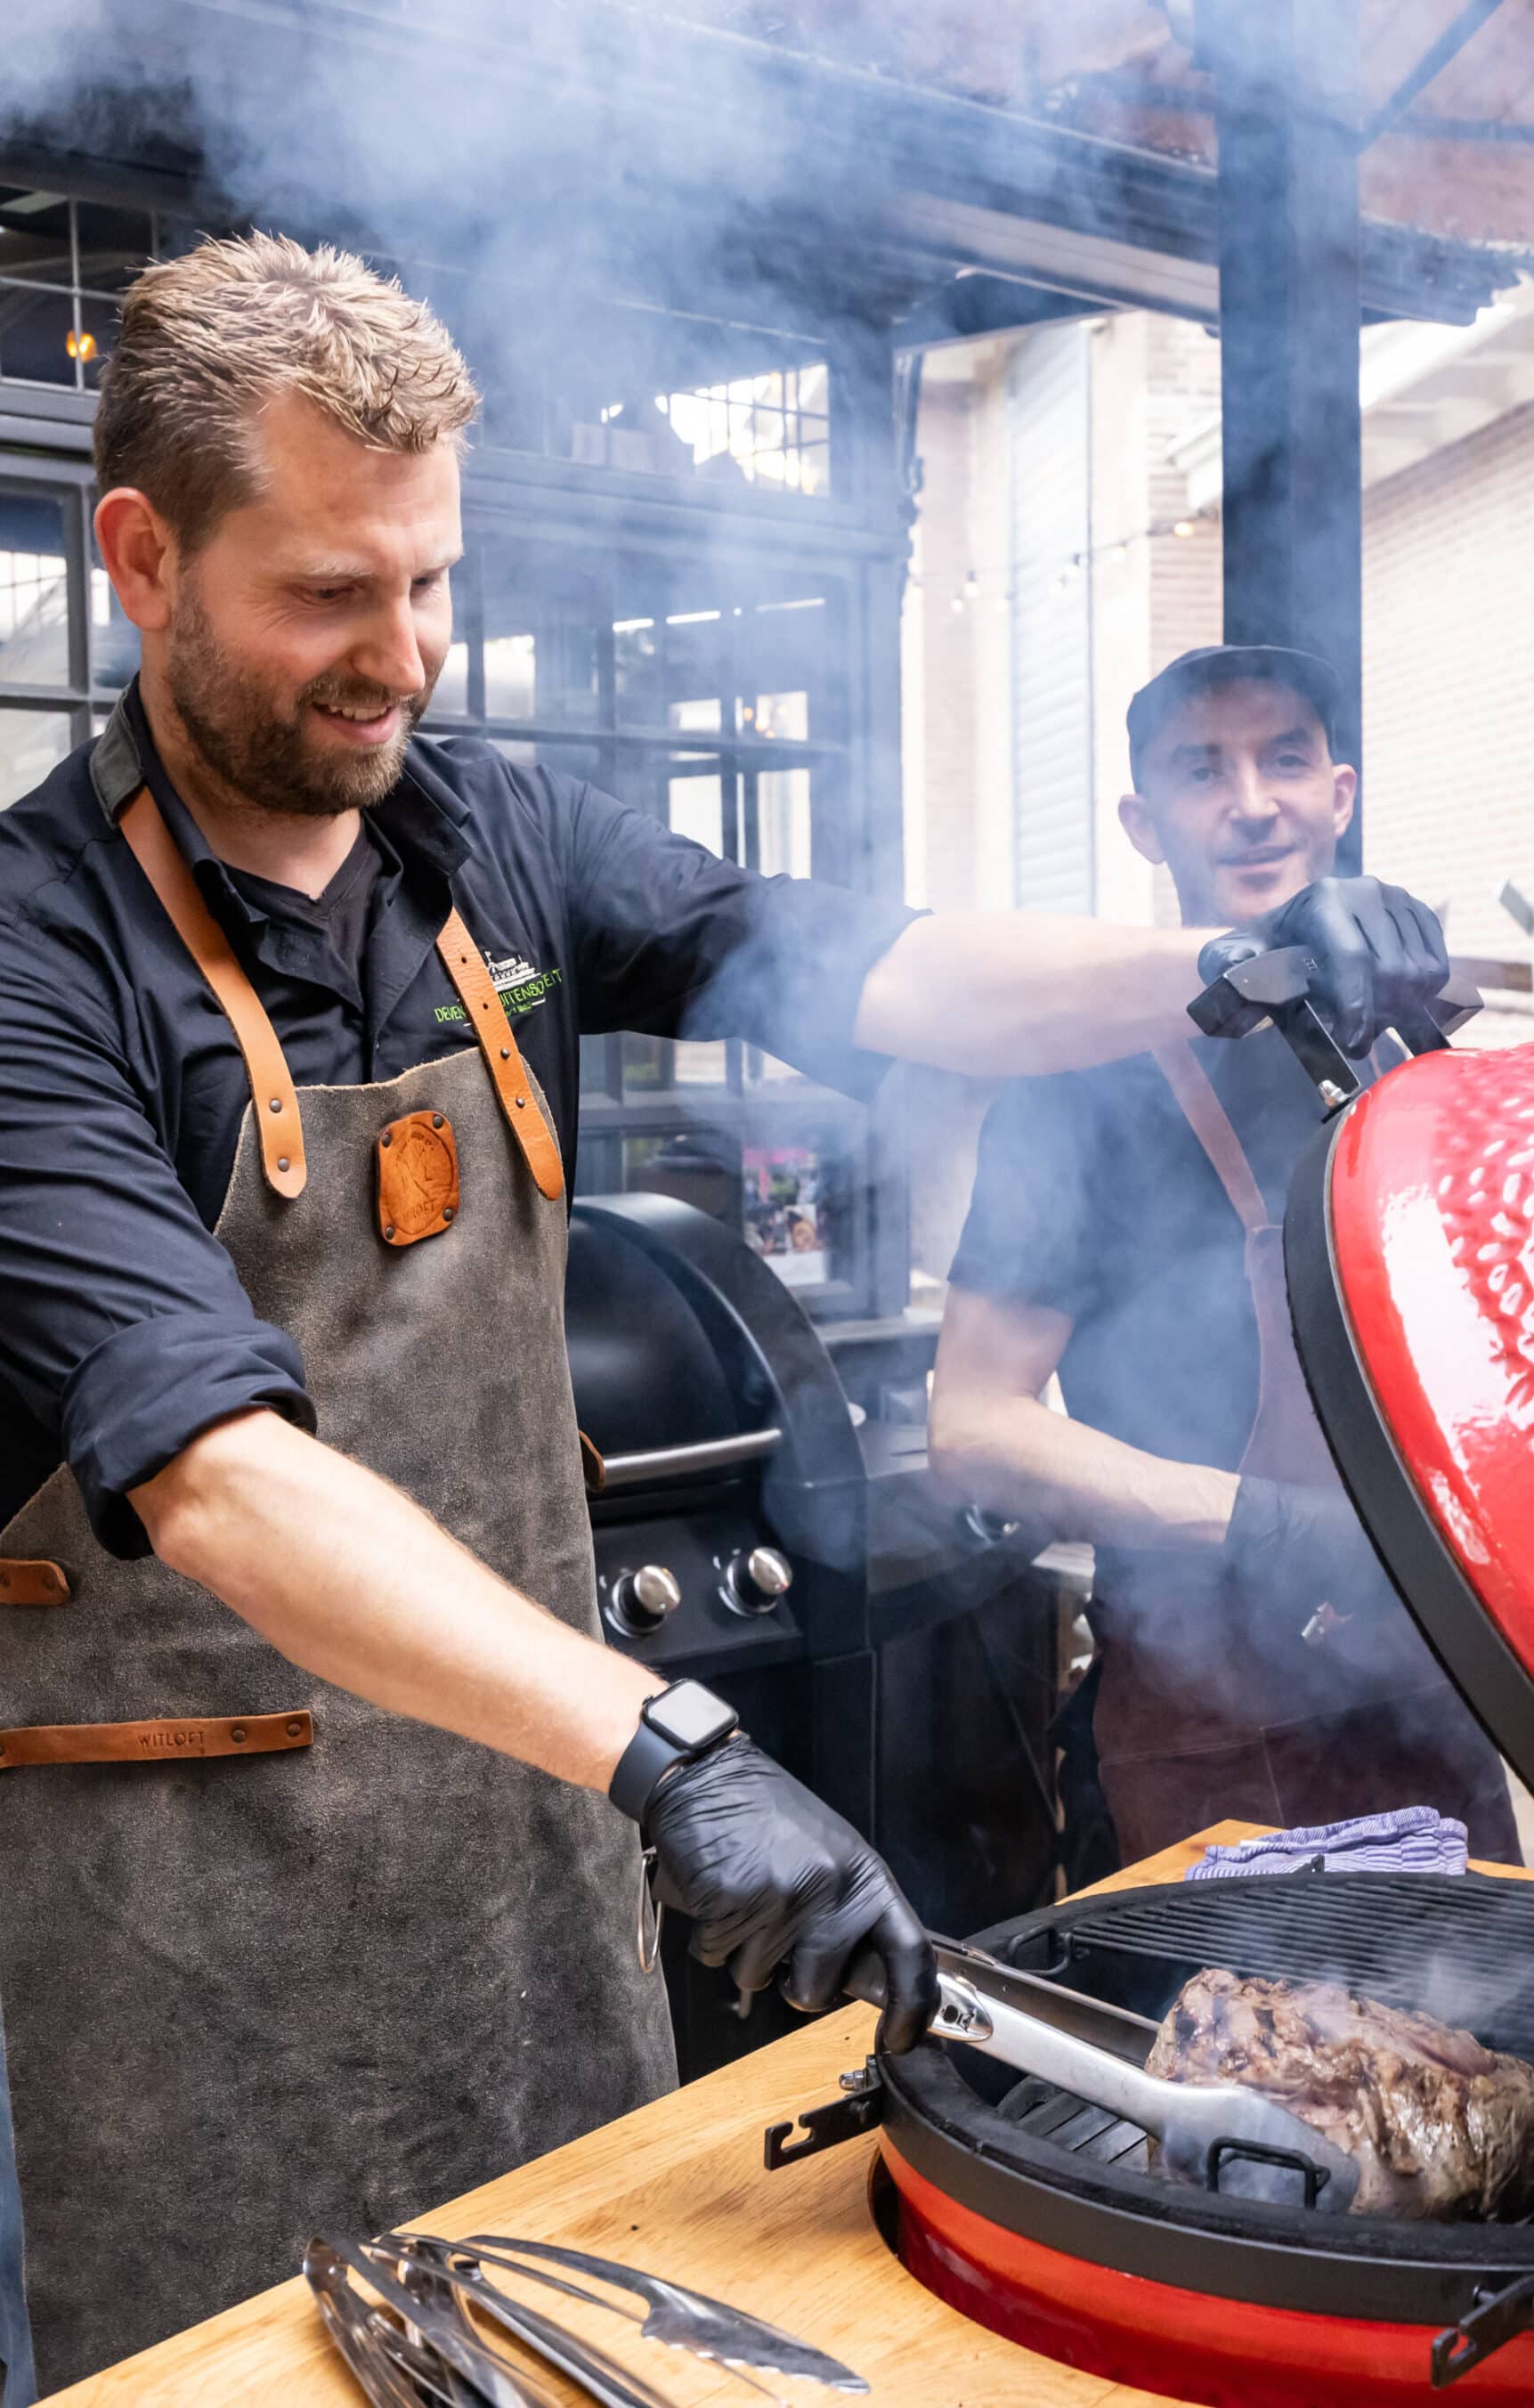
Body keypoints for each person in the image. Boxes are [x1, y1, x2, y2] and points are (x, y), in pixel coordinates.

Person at [0, 238, 1457, 2395]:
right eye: (329, 593)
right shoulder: (35, 959)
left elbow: (859, 961)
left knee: (574, 2321)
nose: (399, 657)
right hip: (189, 1910)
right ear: (141, 557)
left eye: (431, 584)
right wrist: (665, 1738)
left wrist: (1217, 967)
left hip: (523, 1844)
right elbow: (217, 1474)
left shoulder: (475, 829)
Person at [931, 645, 1521, 1880]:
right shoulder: (1082, 1083)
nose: (1253, 800)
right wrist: (1270, 1529)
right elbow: (975, 1428)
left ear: (1341, 792)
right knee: (1243, 2061)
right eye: (1206, 770)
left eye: (1285, 759)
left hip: (1436, 1693)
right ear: (1145, 824)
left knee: (1483, 2059)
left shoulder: (1417, 1054)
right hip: (1208, 1725)